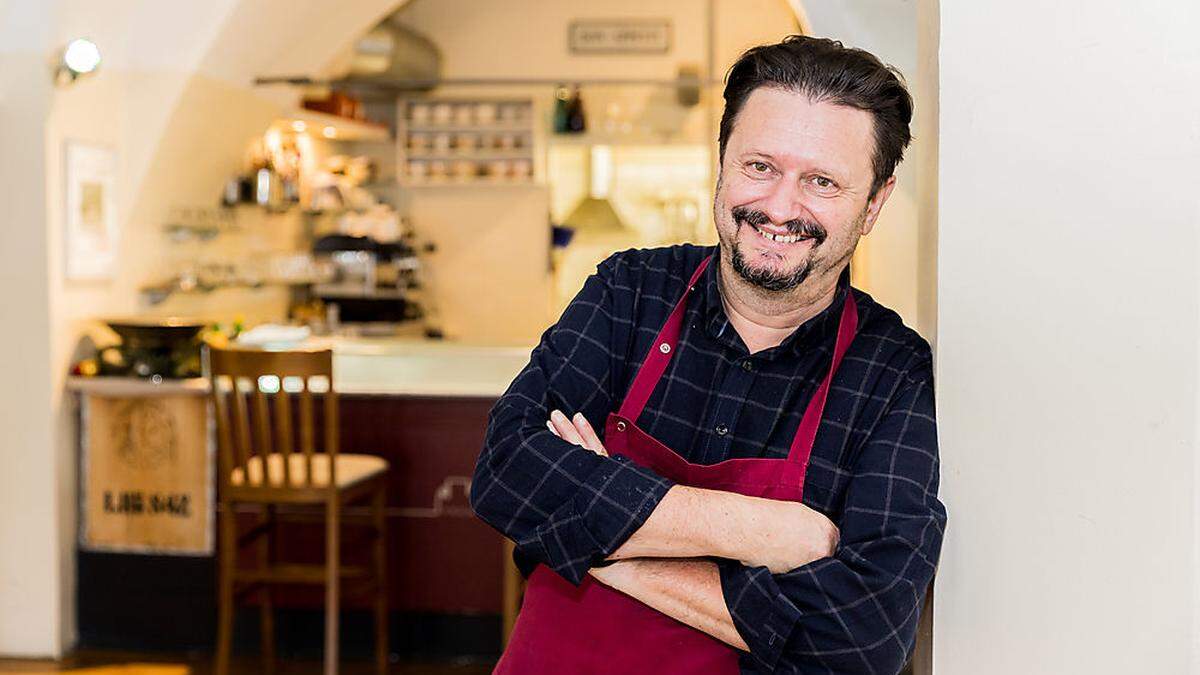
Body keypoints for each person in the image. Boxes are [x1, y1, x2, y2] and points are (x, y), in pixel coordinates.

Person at [471, 35, 946, 674]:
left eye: (822, 181)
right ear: (721, 162)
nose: (780, 206)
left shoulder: (891, 370)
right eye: (760, 167)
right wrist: (763, 533)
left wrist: (596, 539)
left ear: (874, 204)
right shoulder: (629, 292)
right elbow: (506, 474)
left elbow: (861, 640)